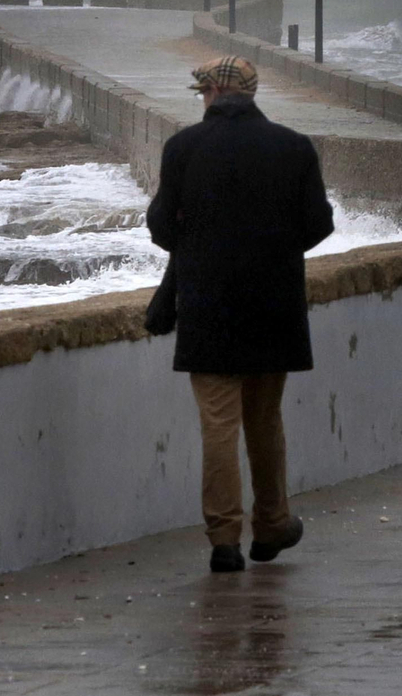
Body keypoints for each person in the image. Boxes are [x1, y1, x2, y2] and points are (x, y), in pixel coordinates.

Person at [148, 56, 335, 573]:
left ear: (210, 90)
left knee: (219, 424)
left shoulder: (183, 147)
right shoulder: (293, 147)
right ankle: (273, 524)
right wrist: (272, 248)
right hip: (273, 302)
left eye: (201, 90)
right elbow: (318, 224)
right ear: (250, 95)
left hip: (209, 305)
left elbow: (164, 230)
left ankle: (224, 539)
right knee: (265, 419)